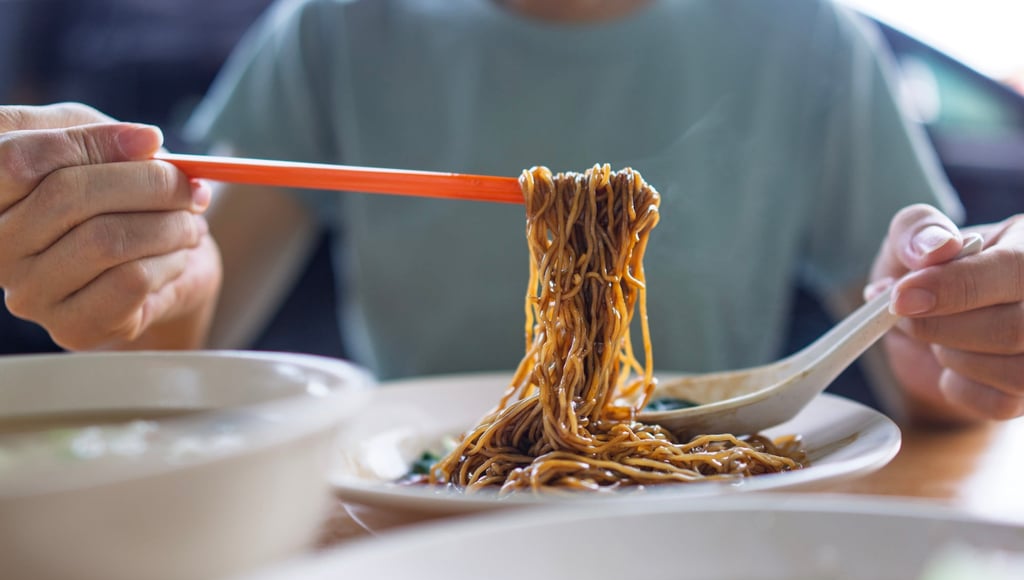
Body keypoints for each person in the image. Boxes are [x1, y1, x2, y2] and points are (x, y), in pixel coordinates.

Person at [0, 0, 1021, 427]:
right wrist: (127, 273)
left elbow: (911, 356)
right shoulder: (340, 27)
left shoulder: (806, 37)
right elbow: (186, 333)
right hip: (413, 512)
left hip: (706, 502)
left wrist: (954, 336)